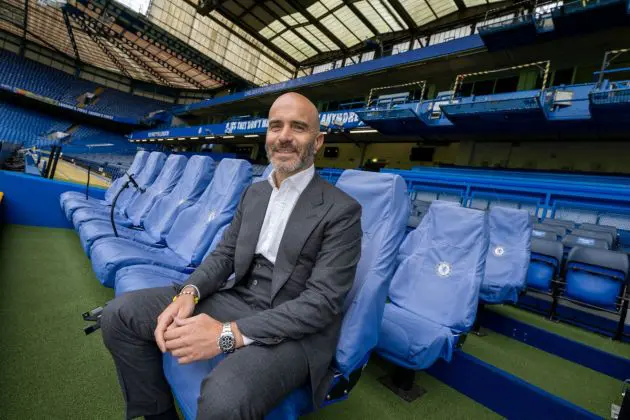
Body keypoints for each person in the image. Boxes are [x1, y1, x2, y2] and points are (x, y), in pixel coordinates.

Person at [100, 92, 363, 420]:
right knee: (119, 315)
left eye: (298, 128)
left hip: (295, 327)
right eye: (275, 126)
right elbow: (224, 254)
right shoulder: (255, 192)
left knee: (225, 398)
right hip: (237, 298)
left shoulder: (343, 210)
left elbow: (321, 303)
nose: (284, 136)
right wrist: (189, 292)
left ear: (318, 141)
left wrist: (227, 335)